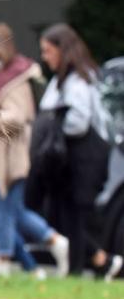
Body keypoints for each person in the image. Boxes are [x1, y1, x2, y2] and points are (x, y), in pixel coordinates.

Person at [0, 23, 69, 279]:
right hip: (1, 157)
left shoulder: (16, 77)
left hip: (12, 157)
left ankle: (3, 259)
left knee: (0, 210)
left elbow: (17, 117)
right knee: (11, 211)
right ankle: (53, 242)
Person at [37, 23, 123, 281]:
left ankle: (88, 266)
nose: (44, 57)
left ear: (62, 50)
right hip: (71, 159)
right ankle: (99, 261)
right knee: (65, 213)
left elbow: (79, 120)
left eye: (48, 50)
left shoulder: (80, 79)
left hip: (86, 158)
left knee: (77, 215)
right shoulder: (63, 80)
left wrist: (56, 121)